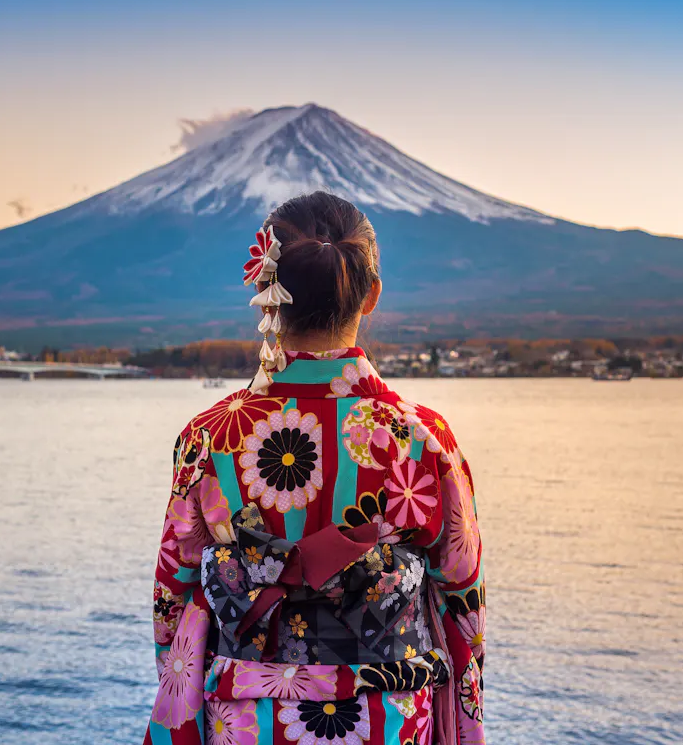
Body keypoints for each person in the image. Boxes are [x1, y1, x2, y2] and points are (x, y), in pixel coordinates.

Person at [144, 192, 485, 745]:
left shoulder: (211, 436)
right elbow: (462, 603)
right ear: (371, 295)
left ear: (267, 294)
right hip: (389, 715)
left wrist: (181, 678)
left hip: (247, 714)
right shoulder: (422, 438)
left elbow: (172, 595)